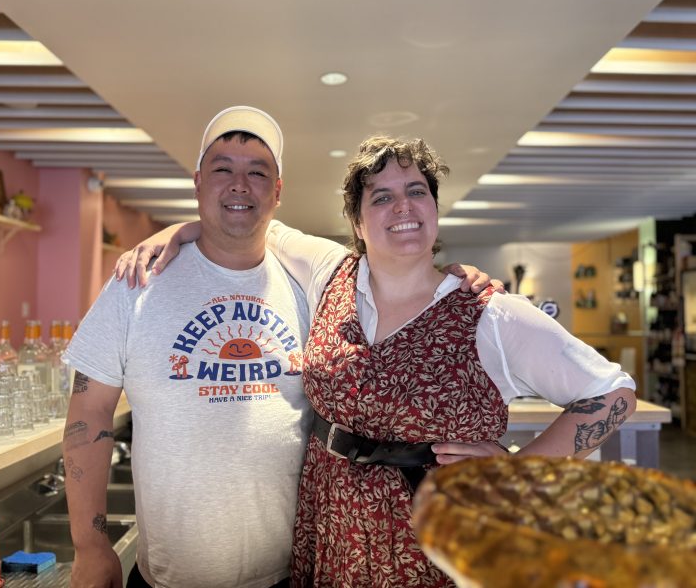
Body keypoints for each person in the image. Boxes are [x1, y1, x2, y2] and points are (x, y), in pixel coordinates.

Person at [118, 135, 636, 587]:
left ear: (435, 208)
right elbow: (255, 223)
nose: (402, 207)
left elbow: (612, 392)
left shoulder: (493, 314)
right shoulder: (332, 276)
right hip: (329, 530)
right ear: (357, 222)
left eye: (417, 192)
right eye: (381, 197)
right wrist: (182, 230)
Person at [63, 106, 495, 588]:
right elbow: (89, 415)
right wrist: (90, 545)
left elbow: (401, 270)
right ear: (197, 182)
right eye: (222, 169)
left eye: (257, 172)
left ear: (278, 191)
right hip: (167, 578)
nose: (239, 185)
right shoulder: (137, 283)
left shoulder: (318, 284)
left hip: (294, 572)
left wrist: (458, 280)